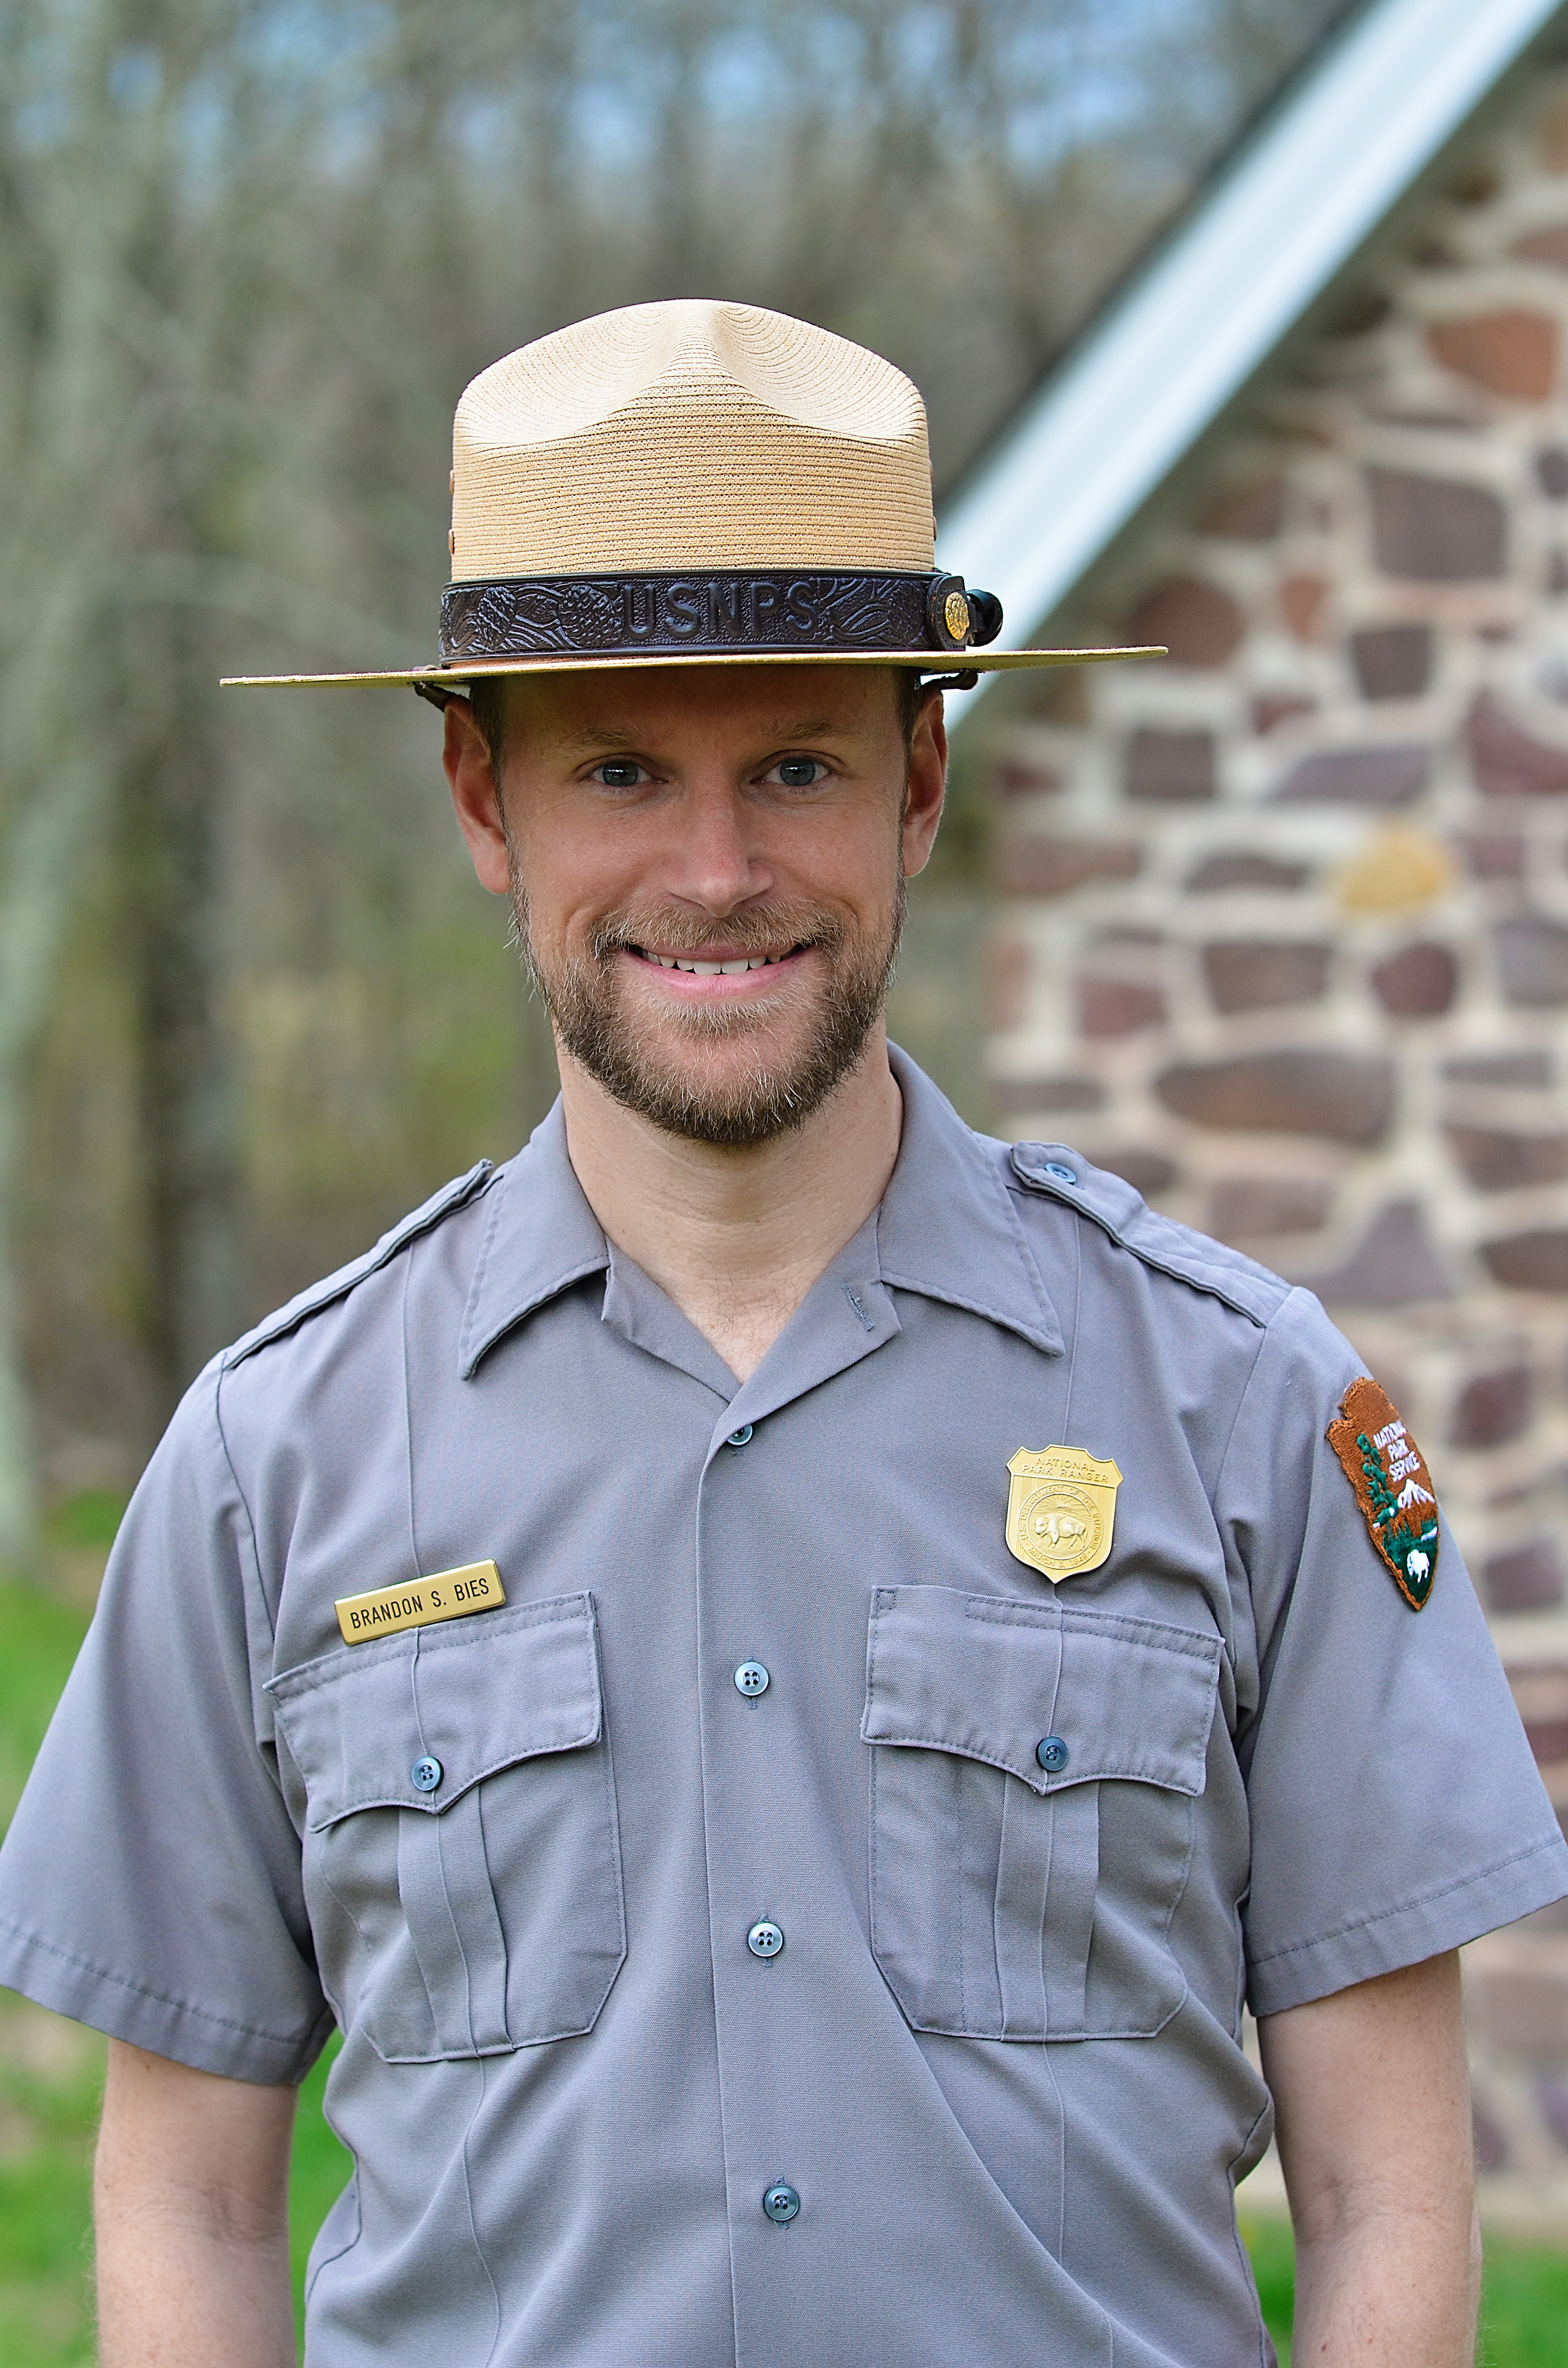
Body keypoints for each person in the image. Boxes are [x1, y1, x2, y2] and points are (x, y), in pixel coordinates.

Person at [0, 299, 1563, 2368]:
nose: (718, 871)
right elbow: (186, 2204)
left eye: (799, 765)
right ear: (483, 797)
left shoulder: (1249, 1408)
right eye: (621, 770)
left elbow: (1386, 2203)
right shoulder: (273, 1458)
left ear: (921, 781)